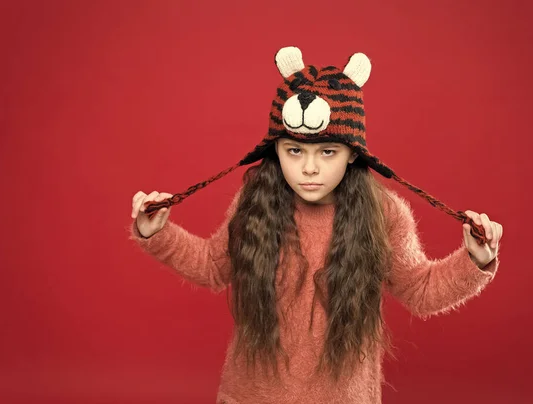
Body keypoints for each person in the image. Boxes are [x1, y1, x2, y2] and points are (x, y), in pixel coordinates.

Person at [127, 47, 502, 404]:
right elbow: (211, 266)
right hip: (252, 394)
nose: (309, 168)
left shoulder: (383, 213)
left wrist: (474, 260)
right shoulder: (255, 202)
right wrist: (156, 232)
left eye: (327, 152)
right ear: (275, 150)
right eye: (294, 151)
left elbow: (421, 290)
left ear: (353, 152)